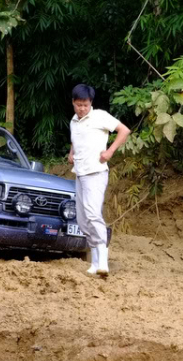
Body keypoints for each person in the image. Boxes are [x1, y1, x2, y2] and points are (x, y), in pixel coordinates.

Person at [68, 84, 130, 276]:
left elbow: (124, 130)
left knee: (93, 214)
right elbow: (75, 139)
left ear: (90, 103)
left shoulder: (100, 116)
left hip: (96, 172)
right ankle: (95, 263)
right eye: (78, 105)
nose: (82, 108)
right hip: (80, 172)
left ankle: (103, 262)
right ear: (73, 103)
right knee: (83, 219)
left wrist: (110, 151)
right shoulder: (73, 121)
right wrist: (71, 153)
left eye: (85, 105)